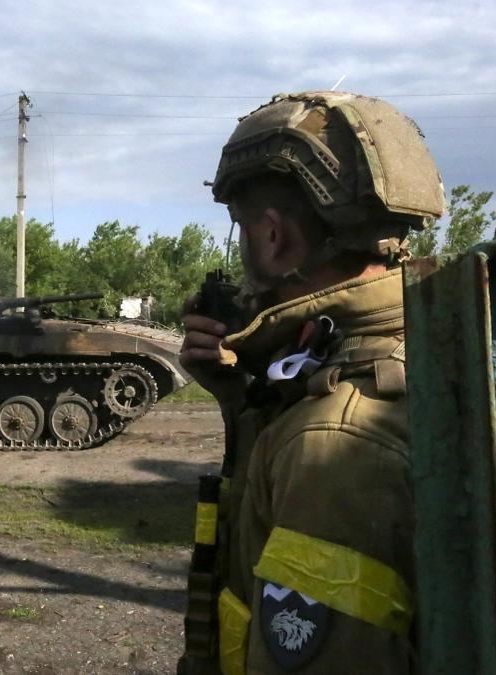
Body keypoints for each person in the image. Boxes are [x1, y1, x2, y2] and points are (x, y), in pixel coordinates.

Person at [177, 92, 446, 674]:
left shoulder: (336, 439)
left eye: (243, 228)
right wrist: (239, 397)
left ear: (271, 235)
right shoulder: (432, 344)